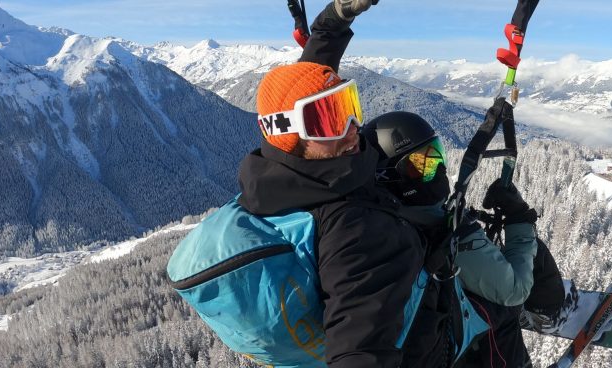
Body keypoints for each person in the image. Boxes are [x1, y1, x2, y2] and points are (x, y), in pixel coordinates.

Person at [239, 2, 458, 367]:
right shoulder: (356, 233)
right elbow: (359, 349)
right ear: (293, 134)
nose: (353, 126)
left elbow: (300, 90)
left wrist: (335, 19)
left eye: (347, 105)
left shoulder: (279, 174)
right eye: (330, 120)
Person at [362, 110, 567, 367]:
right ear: (390, 175)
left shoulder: (371, 221)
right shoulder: (443, 231)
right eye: (420, 165)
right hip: (444, 346)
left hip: (413, 341)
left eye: (437, 155)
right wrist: (519, 219)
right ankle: (545, 313)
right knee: (504, 308)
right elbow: (515, 290)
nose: (437, 169)